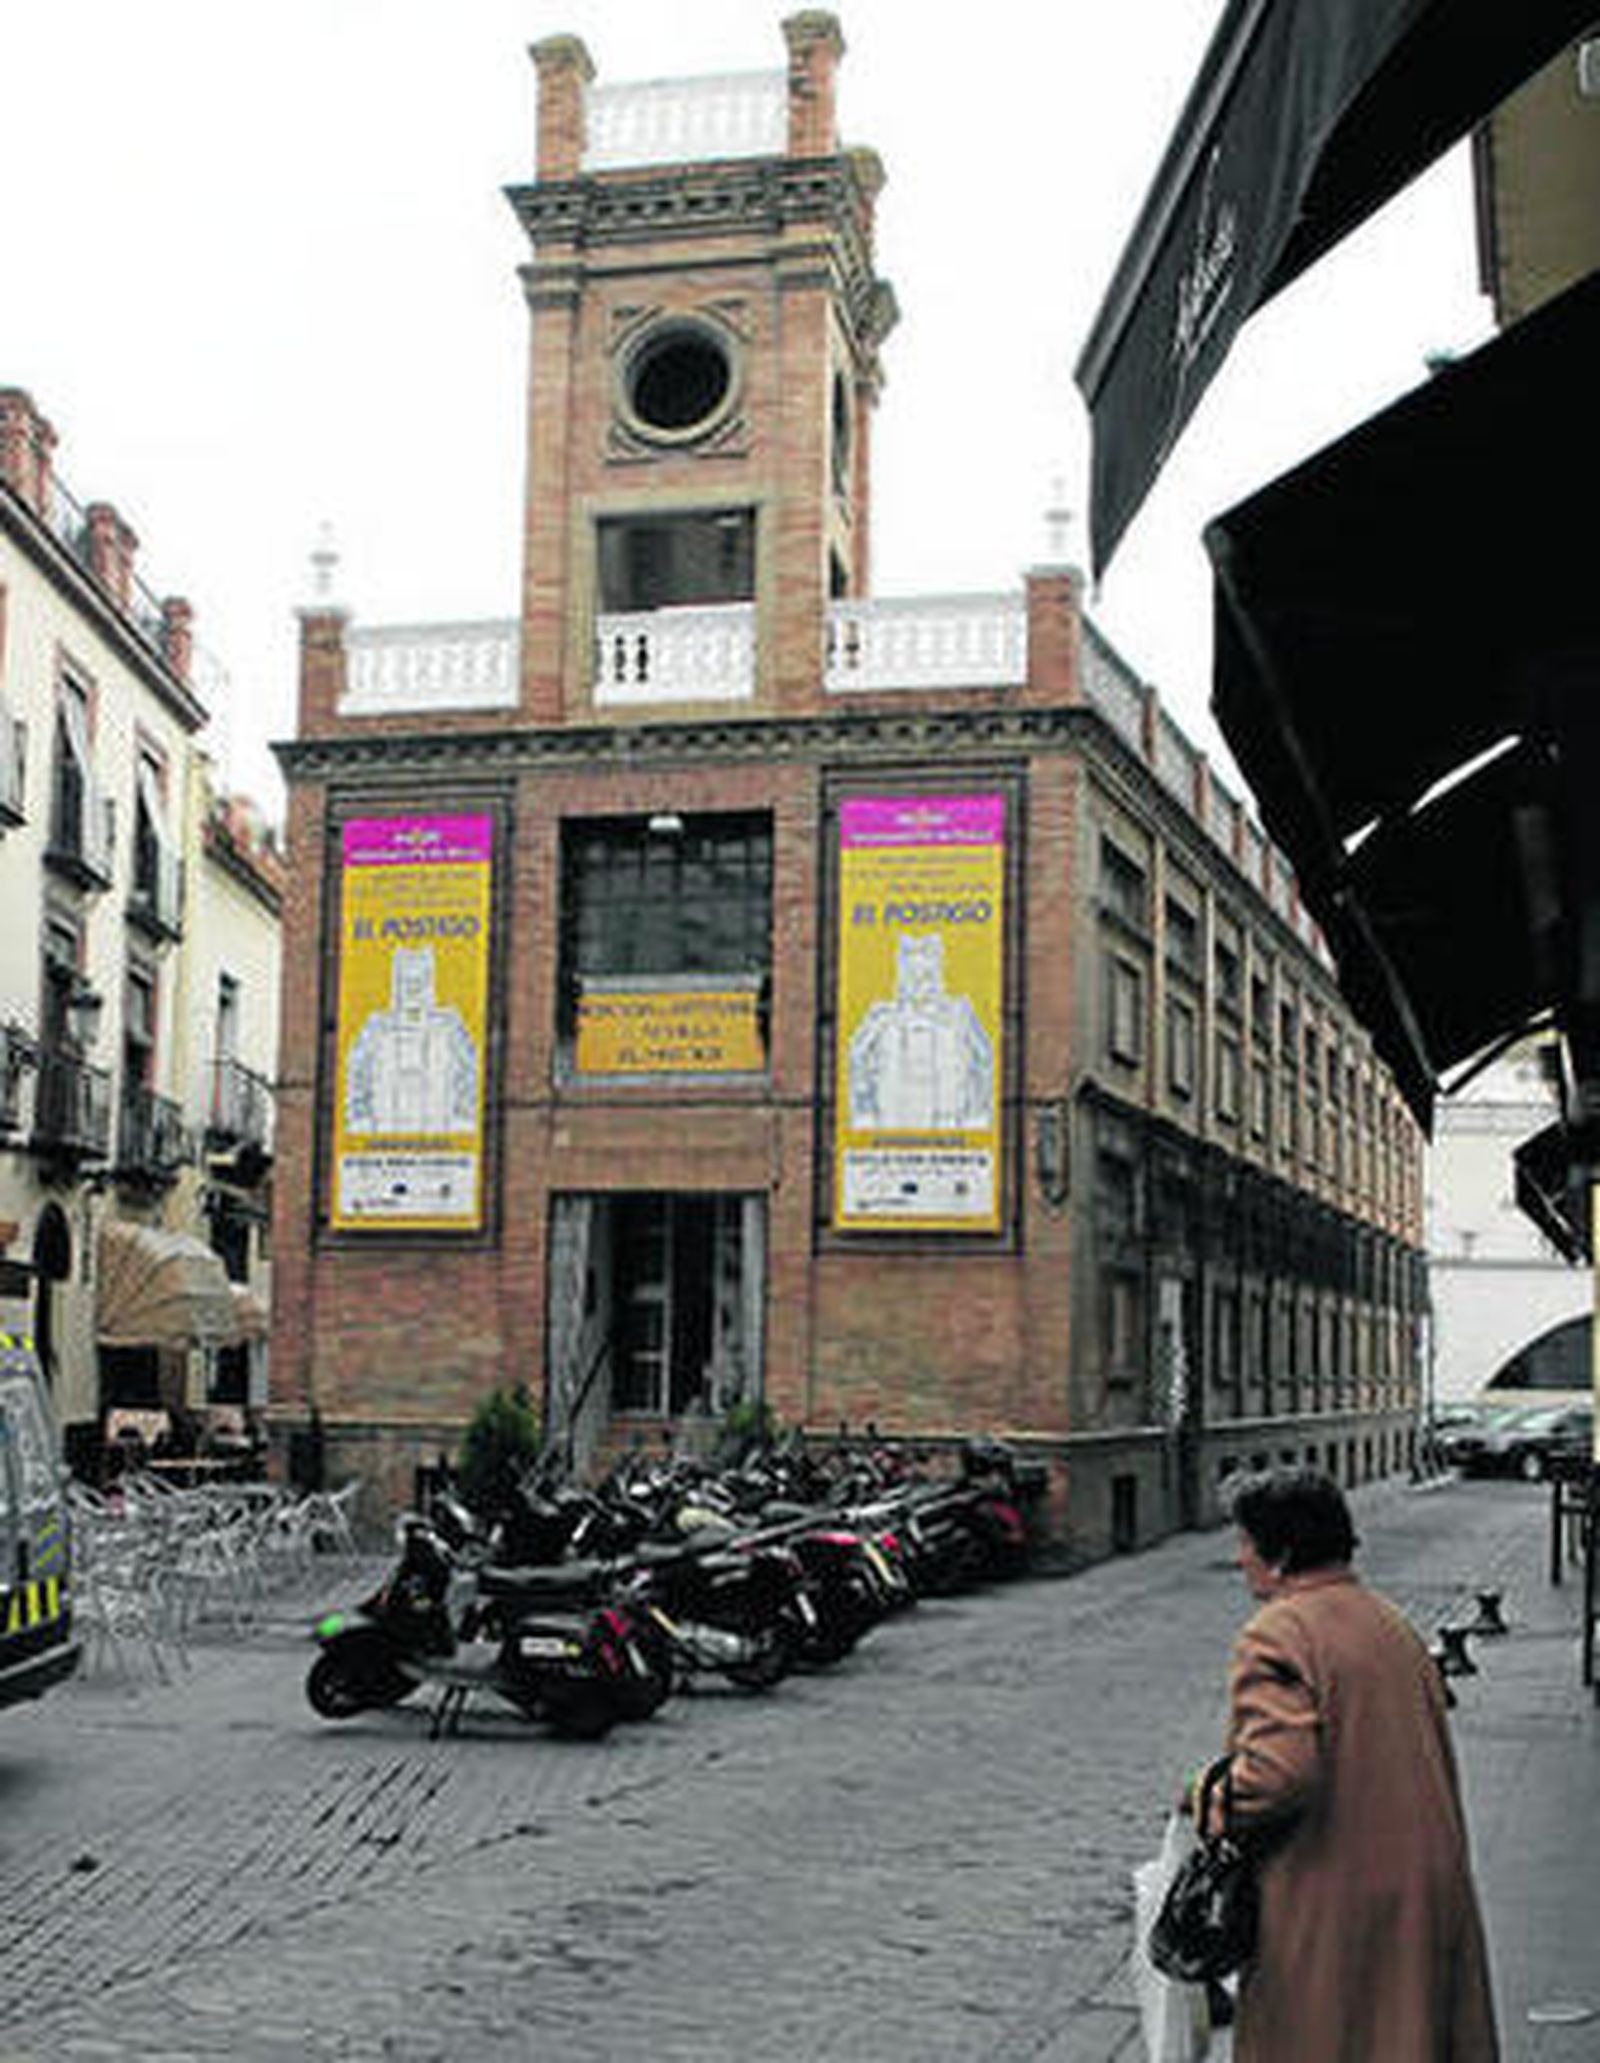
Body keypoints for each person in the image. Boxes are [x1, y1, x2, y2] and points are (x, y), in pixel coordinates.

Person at [1198, 1468, 1499, 2062]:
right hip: (1420, 1891)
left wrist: (1204, 1797)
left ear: (1279, 1552)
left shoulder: (1279, 1633)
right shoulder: (1389, 1621)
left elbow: (1276, 1778)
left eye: (1246, 1542)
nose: (1240, 1559)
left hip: (1333, 1906)